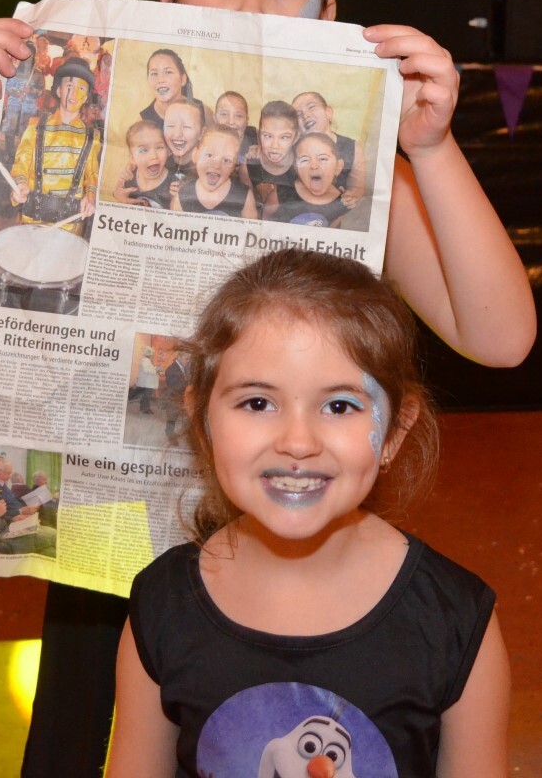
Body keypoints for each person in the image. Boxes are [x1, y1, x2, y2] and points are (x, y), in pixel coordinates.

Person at [0, 0, 535, 777]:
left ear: (327, 14)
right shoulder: (111, 137)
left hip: (292, 552)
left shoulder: (342, 173)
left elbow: (501, 338)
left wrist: (430, 147)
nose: (251, 4)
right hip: (114, 553)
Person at [107, 249, 509, 776]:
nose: (298, 442)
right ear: (202, 421)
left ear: (393, 432)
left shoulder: (454, 621)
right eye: (257, 403)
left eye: (339, 406)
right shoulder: (162, 606)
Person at [9, 57, 101, 234]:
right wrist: (19, 185)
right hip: (31, 221)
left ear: (86, 97)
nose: (74, 94)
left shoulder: (92, 136)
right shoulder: (35, 126)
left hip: (70, 226)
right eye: (69, 86)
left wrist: (90, 196)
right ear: (59, 90)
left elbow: (92, 175)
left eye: (81, 88)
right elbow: (21, 164)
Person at [293, 90, 366, 204]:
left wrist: (351, 196)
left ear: (328, 113)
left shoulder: (352, 148)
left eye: (311, 107)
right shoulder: (292, 149)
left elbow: (358, 187)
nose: (305, 115)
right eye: (298, 114)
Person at [169, 125, 257, 218]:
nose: (216, 166)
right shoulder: (182, 195)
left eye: (227, 160)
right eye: (209, 155)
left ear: (233, 166)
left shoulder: (245, 197)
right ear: (195, 155)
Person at [271, 131, 349, 227]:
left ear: (338, 167)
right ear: (296, 168)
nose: (314, 166)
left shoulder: (344, 202)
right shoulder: (281, 191)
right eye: (304, 160)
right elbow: (265, 220)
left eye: (323, 159)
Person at [249, 99, 300, 215]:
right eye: (267, 136)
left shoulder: (301, 167)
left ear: (295, 138)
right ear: (258, 135)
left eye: (284, 137)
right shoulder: (249, 163)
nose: (275, 146)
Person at [111, 120, 175, 208]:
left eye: (159, 147)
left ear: (168, 151)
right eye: (143, 150)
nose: (153, 156)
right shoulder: (129, 176)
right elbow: (118, 192)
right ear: (133, 159)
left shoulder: (174, 185)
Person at [139, 48, 195, 124]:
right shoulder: (143, 122)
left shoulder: (201, 110)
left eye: (168, 72)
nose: (161, 80)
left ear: (183, 79)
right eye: (154, 74)